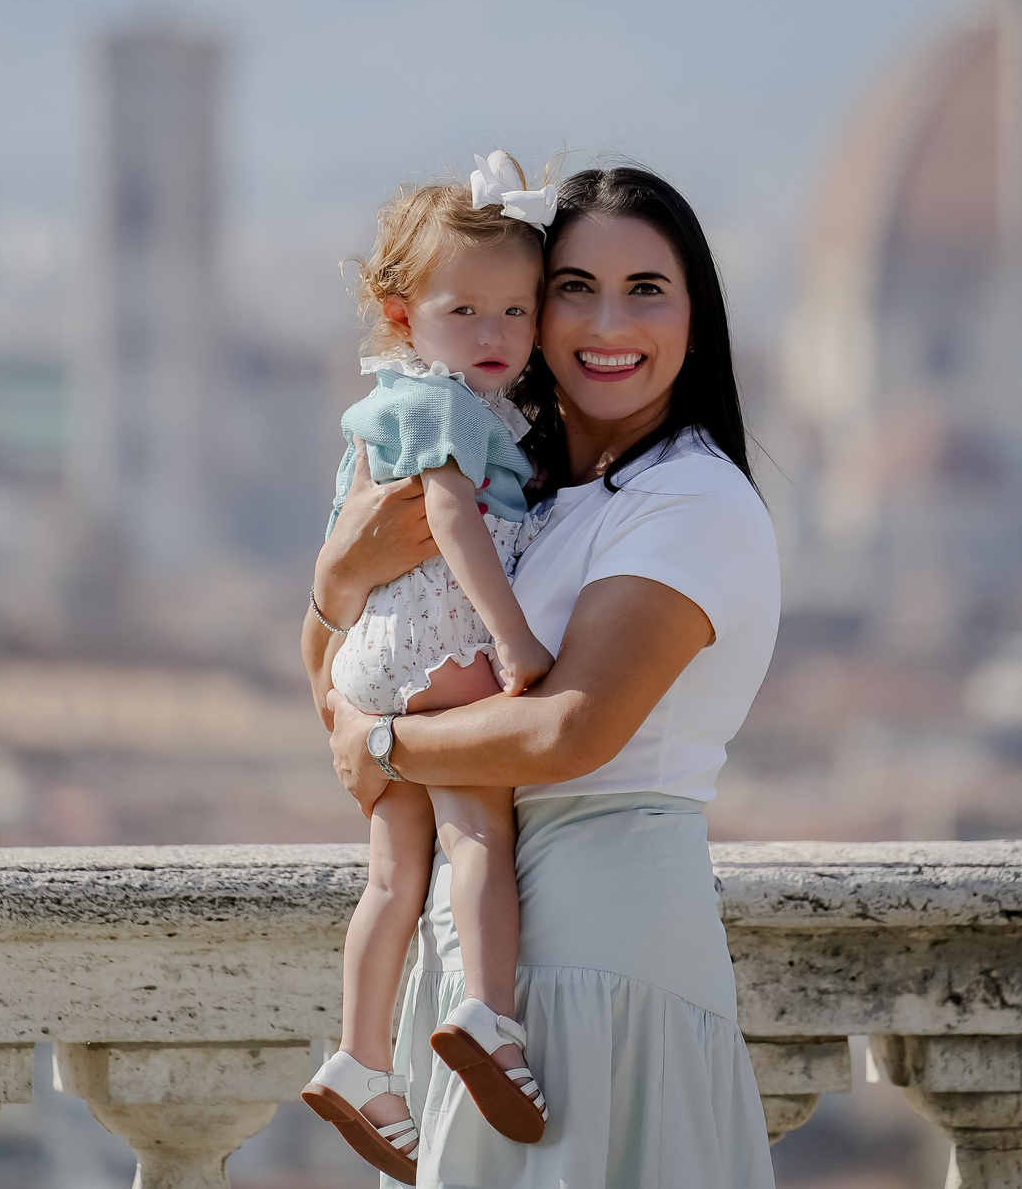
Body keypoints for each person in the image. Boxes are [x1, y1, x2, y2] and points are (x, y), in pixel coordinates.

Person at [304, 164, 782, 1189]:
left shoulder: (689, 501)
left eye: (645, 289)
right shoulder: (520, 491)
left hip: (604, 958)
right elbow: (335, 662)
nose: (606, 321)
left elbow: (569, 732)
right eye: (574, 287)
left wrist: (383, 744)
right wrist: (339, 573)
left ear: (697, 319)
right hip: (493, 983)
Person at [300, 154, 562, 1182]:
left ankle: (363, 1058)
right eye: (468, 312)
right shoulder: (452, 409)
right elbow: (451, 519)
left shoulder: (389, 405)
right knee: (478, 840)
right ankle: (490, 1019)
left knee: (390, 874)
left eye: (516, 311)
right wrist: (511, 641)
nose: (496, 336)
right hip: (439, 646)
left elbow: (345, 536)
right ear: (404, 316)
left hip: (373, 655)